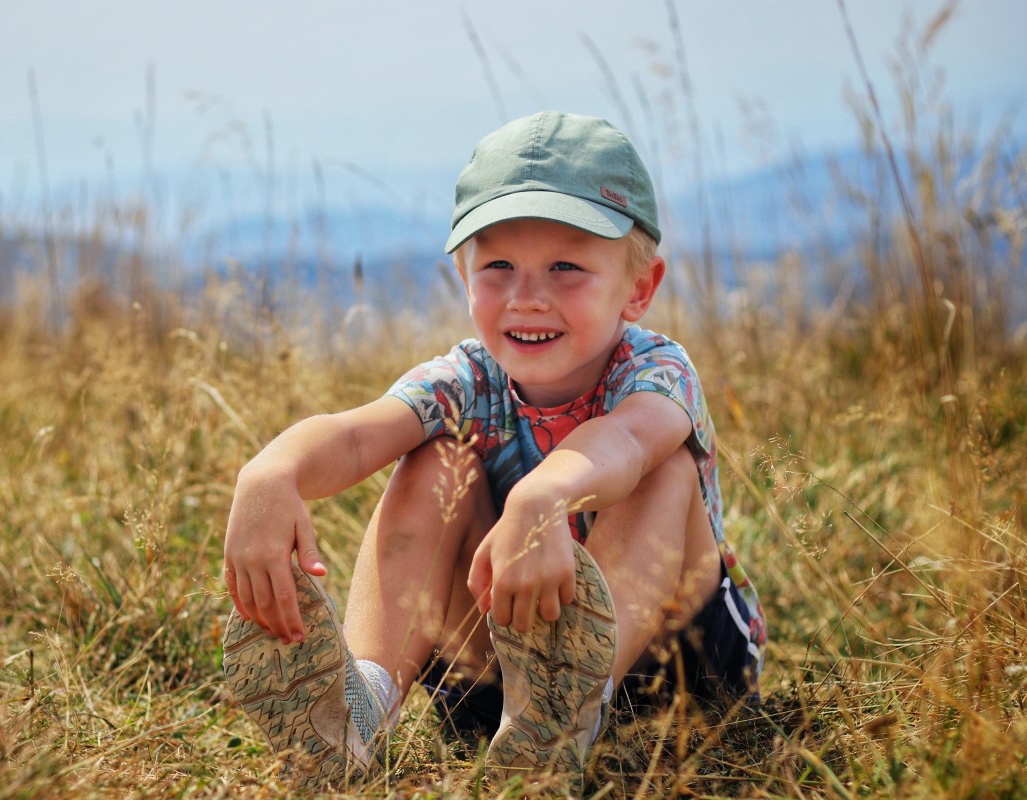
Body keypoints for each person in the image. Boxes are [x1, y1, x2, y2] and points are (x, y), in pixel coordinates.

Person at [220, 110, 766, 791]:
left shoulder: (655, 372)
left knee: (665, 470)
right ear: (463, 277)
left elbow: (626, 441)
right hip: (497, 686)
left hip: (678, 669)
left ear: (639, 288)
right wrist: (273, 470)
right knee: (434, 456)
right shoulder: (469, 379)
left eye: (567, 267)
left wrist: (544, 495)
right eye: (498, 267)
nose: (527, 297)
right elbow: (360, 433)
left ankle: (575, 701)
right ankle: (360, 706)